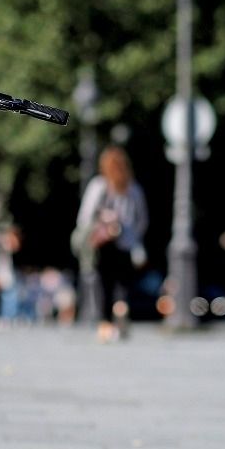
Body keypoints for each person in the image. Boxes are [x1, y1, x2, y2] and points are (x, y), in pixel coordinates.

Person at [74, 146, 148, 342]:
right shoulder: (133, 188)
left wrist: (100, 224)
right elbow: (142, 220)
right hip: (126, 246)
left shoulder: (99, 185)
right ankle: (121, 309)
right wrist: (133, 237)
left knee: (103, 285)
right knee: (122, 285)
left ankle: (106, 325)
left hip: (104, 246)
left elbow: (84, 218)